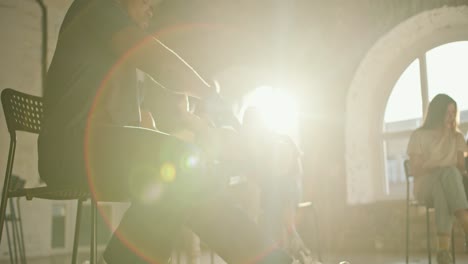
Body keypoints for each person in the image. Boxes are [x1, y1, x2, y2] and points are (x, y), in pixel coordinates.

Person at [38, 0, 296, 263]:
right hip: (69, 153)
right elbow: (164, 67)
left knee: (194, 180)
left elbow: (133, 128)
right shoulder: (96, 9)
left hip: (95, 149)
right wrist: (212, 98)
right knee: (183, 166)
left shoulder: (112, 56)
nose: (153, 8)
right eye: (148, 0)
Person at [407, 94, 468, 264]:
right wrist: (439, 167)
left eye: (453, 113)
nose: (450, 117)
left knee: (442, 187)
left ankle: (443, 252)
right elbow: (415, 169)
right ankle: (466, 223)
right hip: (424, 185)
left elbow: (461, 167)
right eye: (447, 112)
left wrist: (448, 169)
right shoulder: (419, 136)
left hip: (447, 185)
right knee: (446, 174)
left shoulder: (457, 137)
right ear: (437, 112)